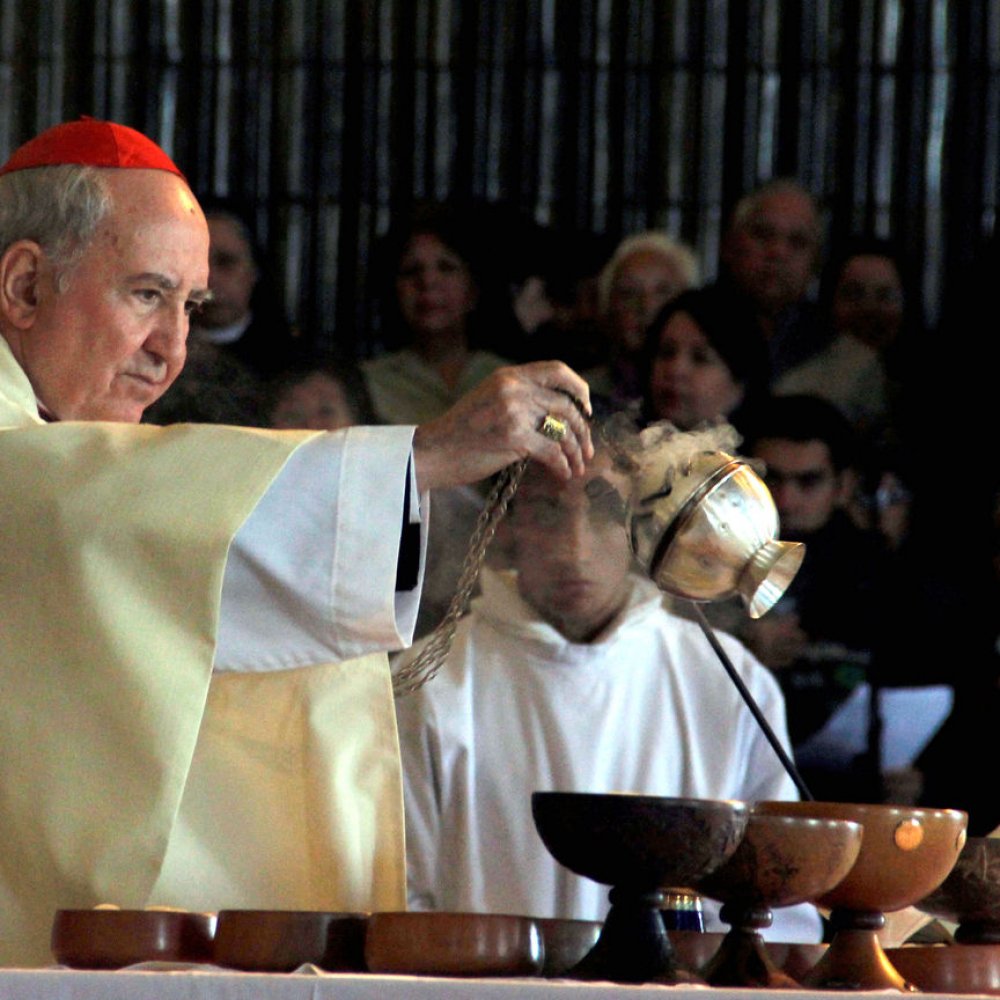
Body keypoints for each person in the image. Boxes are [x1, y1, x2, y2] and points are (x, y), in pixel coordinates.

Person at [0, 118, 593, 967]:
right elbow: (90, 516)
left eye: (190, 307)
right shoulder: (26, 465)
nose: (171, 349)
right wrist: (424, 456)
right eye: (145, 295)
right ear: (24, 286)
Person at [394, 433, 820, 943]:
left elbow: (777, 900)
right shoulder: (429, 682)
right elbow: (402, 891)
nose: (574, 547)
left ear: (640, 525)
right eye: (548, 510)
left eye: (602, 510)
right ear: (507, 523)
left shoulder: (727, 681)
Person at [735, 395, 917, 802]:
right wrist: (735, 639)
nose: (785, 500)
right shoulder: (714, 565)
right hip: (737, 779)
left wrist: (927, 774)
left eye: (808, 481)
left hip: (855, 792)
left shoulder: (882, 574)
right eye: (771, 480)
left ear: (844, 486)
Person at [363, 202, 510, 425]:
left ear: (473, 290)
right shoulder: (365, 384)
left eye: (446, 267)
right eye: (411, 271)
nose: (427, 282)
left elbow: (561, 433)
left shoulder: (513, 378)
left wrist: (549, 425)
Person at [718, 179, 828, 382]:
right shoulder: (685, 327)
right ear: (729, 245)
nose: (777, 252)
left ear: (816, 263)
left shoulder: (839, 349)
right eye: (763, 234)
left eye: (797, 242)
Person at [188, 198, 300, 378]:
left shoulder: (292, 363)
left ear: (254, 270)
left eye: (225, 262)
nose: (209, 279)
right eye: (196, 262)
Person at [638, 285, 770, 435]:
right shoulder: (622, 449)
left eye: (700, 358)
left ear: (740, 383)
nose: (675, 370)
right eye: (667, 353)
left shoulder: (775, 454)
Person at [587, 230, 699, 405]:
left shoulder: (709, 394)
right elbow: (549, 428)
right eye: (629, 293)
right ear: (608, 308)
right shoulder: (578, 390)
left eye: (663, 291)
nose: (647, 306)